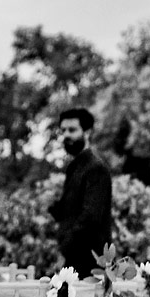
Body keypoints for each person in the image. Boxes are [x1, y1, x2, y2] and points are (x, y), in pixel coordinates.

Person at [51, 107, 113, 272]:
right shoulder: (74, 168)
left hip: (90, 264)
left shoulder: (95, 168)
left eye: (72, 130)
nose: (66, 135)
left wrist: (64, 251)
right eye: (63, 130)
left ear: (87, 132)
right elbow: (71, 213)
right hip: (73, 261)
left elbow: (90, 219)